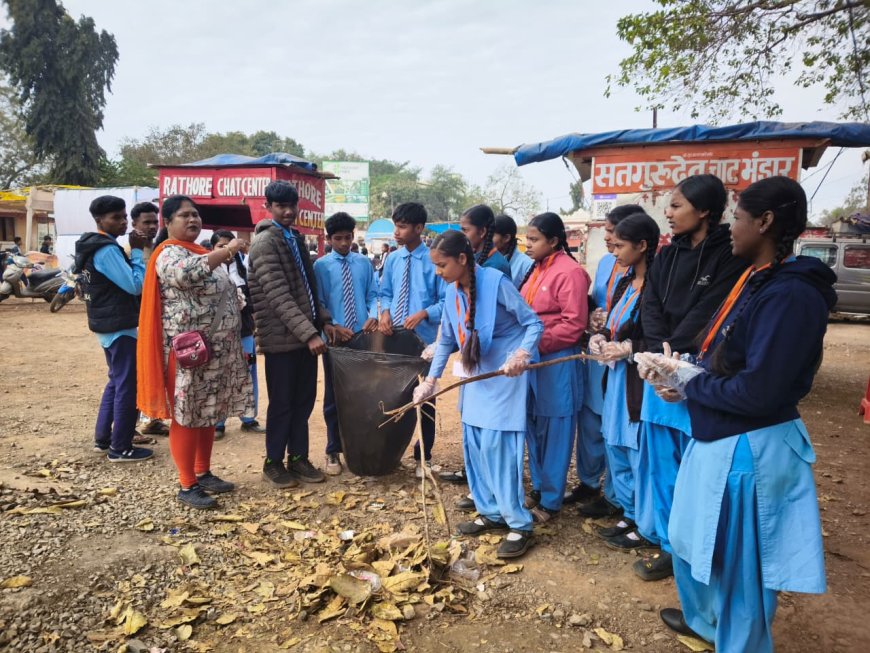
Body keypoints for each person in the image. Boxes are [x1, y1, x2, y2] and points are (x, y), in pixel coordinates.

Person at [641, 177, 831, 652]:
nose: (732, 229)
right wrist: (684, 381)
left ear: (764, 222)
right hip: (719, 434)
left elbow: (760, 391)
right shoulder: (756, 279)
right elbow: (729, 361)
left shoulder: (790, 294)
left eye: (739, 219)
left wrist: (691, 381)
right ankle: (708, 623)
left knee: (742, 562)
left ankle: (740, 642)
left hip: (752, 445)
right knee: (692, 541)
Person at [621, 175, 748, 581]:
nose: (668, 214)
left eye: (676, 206)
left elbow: (711, 311)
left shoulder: (729, 254)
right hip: (661, 366)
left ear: (704, 210)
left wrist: (676, 356)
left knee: (696, 471)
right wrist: (659, 355)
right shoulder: (666, 254)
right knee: (660, 464)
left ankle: (697, 549)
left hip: (699, 370)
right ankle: (666, 543)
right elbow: (652, 302)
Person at [414, 230, 543, 557]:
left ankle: (518, 523)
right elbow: (446, 340)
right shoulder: (451, 290)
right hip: (476, 373)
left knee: (498, 445)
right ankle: (490, 511)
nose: (437, 272)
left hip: (505, 372)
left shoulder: (495, 282)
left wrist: (521, 354)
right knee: (474, 441)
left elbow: (533, 324)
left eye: (442, 265)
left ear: (461, 259)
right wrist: (431, 381)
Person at [137, 195, 252, 509]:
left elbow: (225, 290)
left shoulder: (202, 251)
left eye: (196, 215)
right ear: (168, 222)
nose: (193, 220)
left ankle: (203, 472)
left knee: (207, 412)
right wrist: (226, 251)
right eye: (185, 215)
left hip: (217, 351)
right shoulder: (168, 254)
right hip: (190, 354)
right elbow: (186, 275)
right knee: (187, 417)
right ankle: (187, 484)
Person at [248, 181, 334, 488]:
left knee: (304, 401)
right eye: (280, 206)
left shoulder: (295, 239)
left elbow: (308, 288)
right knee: (282, 403)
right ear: (267, 207)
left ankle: (298, 458)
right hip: (281, 339)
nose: (287, 211)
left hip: (304, 336)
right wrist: (310, 334)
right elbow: (278, 296)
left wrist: (322, 321)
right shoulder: (264, 244)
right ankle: (273, 462)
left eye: (291, 205)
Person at [586, 214, 660, 546]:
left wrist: (630, 349)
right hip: (616, 379)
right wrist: (599, 336)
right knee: (614, 443)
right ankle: (629, 514)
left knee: (637, 451)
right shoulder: (624, 283)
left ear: (642, 246)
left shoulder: (658, 286)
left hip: (638, 382)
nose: (614, 253)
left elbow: (662, 338)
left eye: (619, 245)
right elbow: (613, 323)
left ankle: (646, 525)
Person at [572, 204, 643, 511]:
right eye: (608, 232)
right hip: (598, 349)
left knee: (615, 426)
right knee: (590, 419)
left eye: (614, 233)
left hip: (623, 356)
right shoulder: (604, 263)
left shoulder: (643, 270)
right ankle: (589, 483)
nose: (609, 239)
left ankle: (616, 497)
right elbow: (596, 299)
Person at [520, 212, 589, 522]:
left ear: (554, 241)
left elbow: (574, 325)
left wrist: (534, 343)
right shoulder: (535, 269)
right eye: (528, 238)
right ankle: (539, 486)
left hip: (556, 360)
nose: (528, 244)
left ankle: (551, 500)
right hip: (531, 361)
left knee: (556, 430)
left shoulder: (570, 272)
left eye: (534, 239)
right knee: (533, 424)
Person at [74, 196, 152, 462]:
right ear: (99, 221)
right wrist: (139, 252)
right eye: (115, 218)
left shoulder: (94, 246)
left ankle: (104, 439)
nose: (122, 222)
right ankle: (121, 447)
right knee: (127, 385)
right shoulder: (105, 249)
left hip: (108, 324)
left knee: (116, 381)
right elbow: (134, 285)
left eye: (123, 217)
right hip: (119, 325)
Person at [378, 202, 446, 477]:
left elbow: (446, 302)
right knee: (394, 395)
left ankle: (423, 457)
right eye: (395, 225)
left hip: (424, 343)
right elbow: (384, 291)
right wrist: (383, 312)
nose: (396, 231)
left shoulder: (434, 260)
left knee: (426, 397)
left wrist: (424, 313)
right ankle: (392, 451)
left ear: (419, 228)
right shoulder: (392, 259)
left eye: (402, 226)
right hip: (393, 339)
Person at [313, 212, 379, 475]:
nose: (343, 243)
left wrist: (372, 316)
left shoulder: (364, 263)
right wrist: (329, 326)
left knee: (364, 394)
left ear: (354, 236)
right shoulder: (321, 266)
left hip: (362, 338)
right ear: (328, 239)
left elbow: (373, 294)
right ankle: (333, 449)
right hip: (336, 341)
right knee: (334, 396)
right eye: (338, 238)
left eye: (348, 238)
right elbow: (318, 302)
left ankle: (359, 446)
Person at [211, 230, 265, 439]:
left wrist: (245, 304)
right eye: (221, 246)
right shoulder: (208, 269)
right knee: (219, 375)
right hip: (219, 333)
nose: (227, 251)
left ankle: (248, 418)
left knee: (248, 371)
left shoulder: (242, 269)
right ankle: (218, 422)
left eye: (230, 245)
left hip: (244, 331)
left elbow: (255, 296)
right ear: (212, 249)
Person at [125, 202, 170, 438]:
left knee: (159, 370)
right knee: (136, 373)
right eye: (146, 222)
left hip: (163, 319)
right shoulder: (129, 251)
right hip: (140, 320)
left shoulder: (160, 248)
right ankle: (127, 428)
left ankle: (152, 419)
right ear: (134, 224)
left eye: (155, 222)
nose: (152, 226)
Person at [459, 204, 512, 277]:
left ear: (482, 232)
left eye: (465, 230)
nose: (461, 235)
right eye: (461, 230)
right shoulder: (471, 257)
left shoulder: (498, 266)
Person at [492, 214, 533, 289]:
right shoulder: (486, 260)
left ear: (506, 238)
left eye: (491, 235)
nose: (487, 240)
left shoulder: (527, 264)